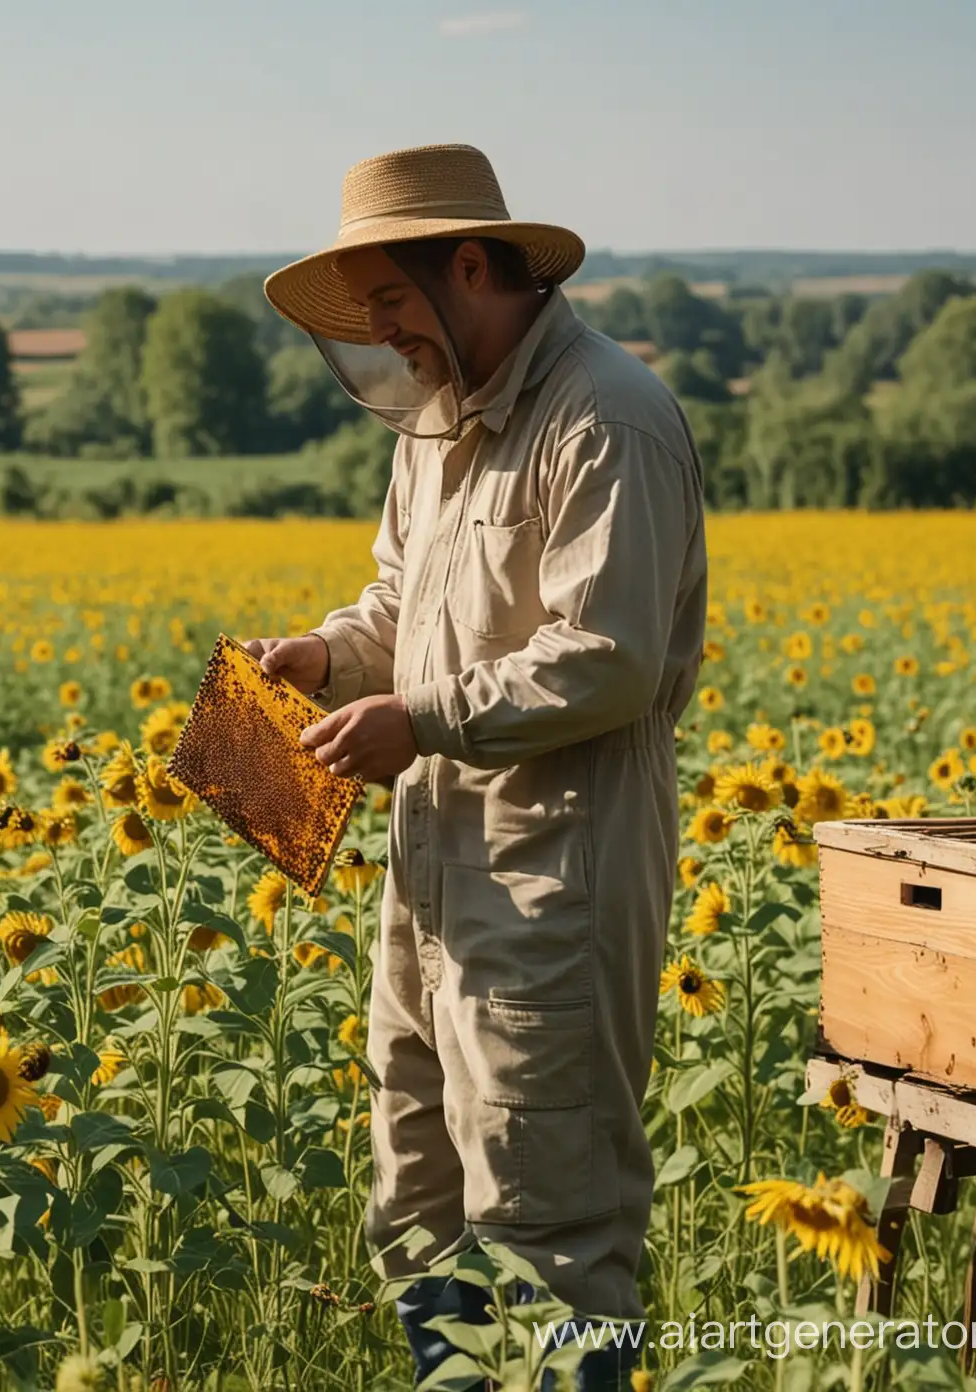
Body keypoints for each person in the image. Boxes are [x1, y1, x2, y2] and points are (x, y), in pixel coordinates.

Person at [246, 143, 708, 1389]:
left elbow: (607, 657)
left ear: (469, 265)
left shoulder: (606, 416)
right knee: (419, 1200)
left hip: (553, 877)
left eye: (392, 300)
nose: (386, 335)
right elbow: (402, 602)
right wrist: (328, 658)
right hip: (432, 873)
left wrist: (421, 718)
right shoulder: (438, 422)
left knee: (546, 1227)